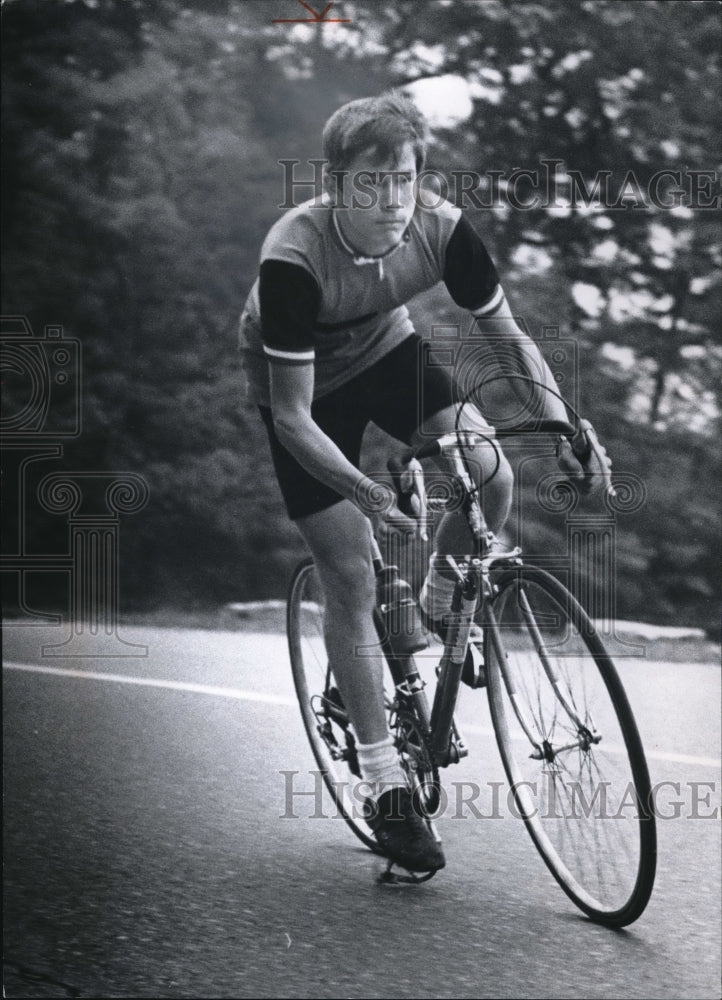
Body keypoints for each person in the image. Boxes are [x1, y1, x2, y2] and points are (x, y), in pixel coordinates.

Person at [239, 91, 608, 873]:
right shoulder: (293, 256)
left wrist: (566, 426)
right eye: (370, 186)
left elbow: (508, 339)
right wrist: (370, 494)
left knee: (491, 472)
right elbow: (296, 420)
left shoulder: (441, 230)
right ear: (335, 186)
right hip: (301, 393)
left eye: (403, 180)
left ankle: (440, 588)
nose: (391, 202)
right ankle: (384, 784)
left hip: (384, 352)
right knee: (350, 569)